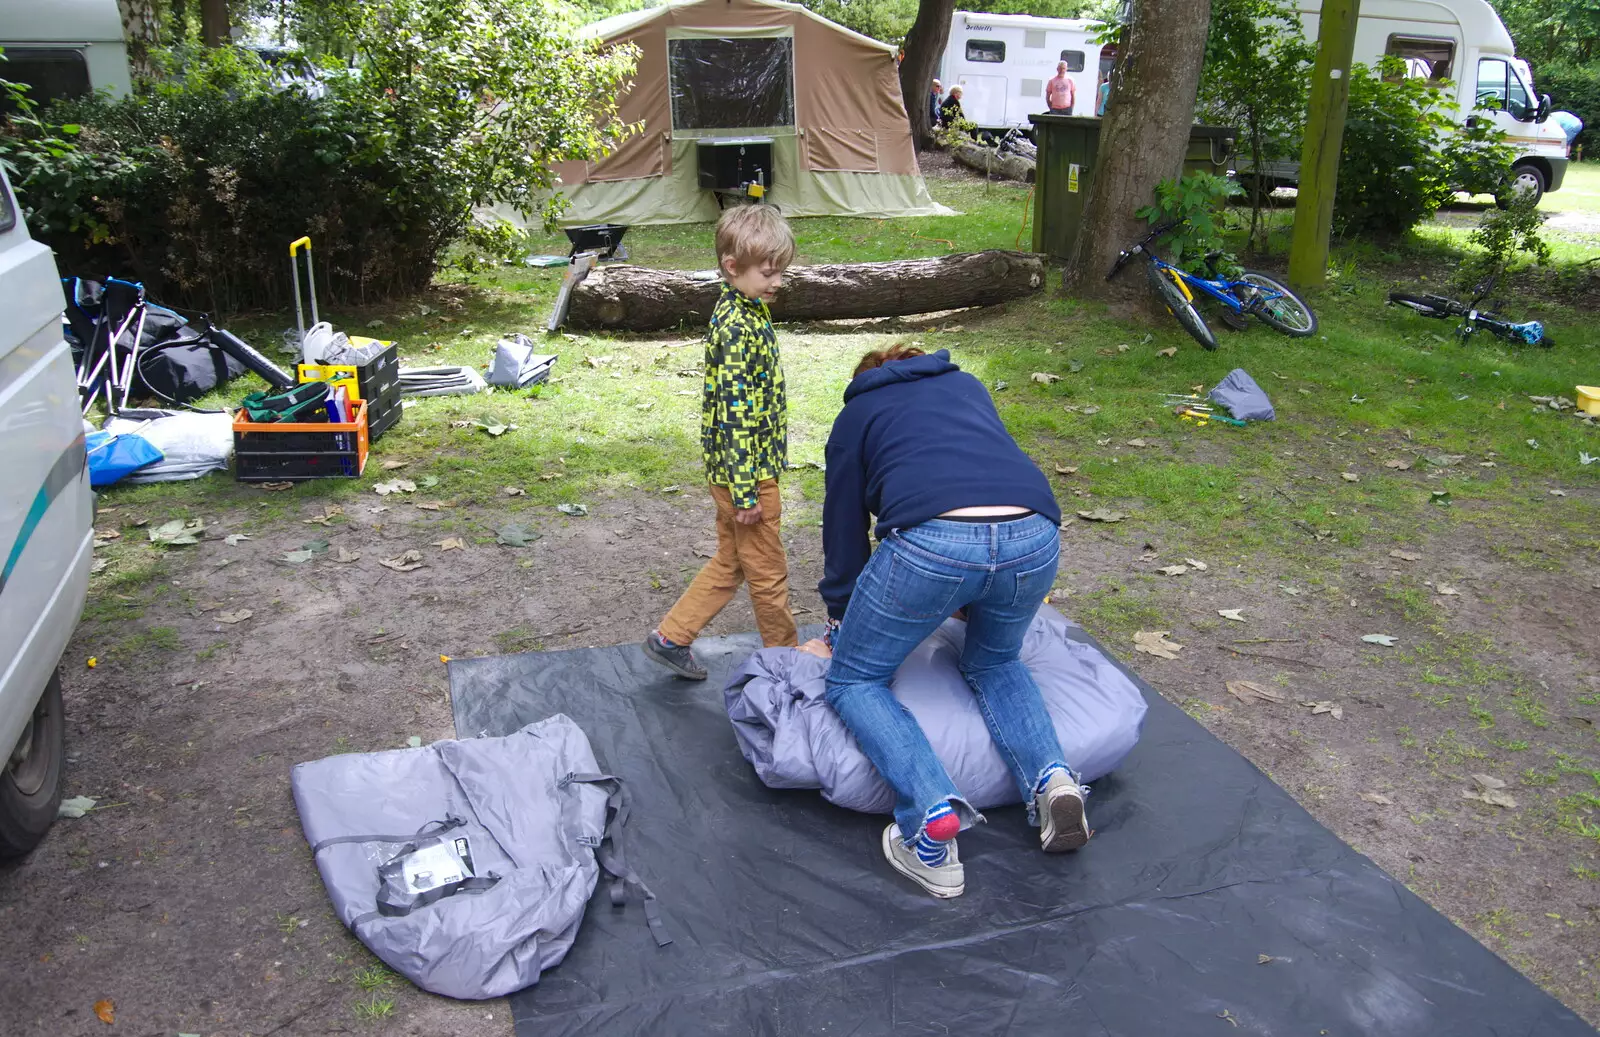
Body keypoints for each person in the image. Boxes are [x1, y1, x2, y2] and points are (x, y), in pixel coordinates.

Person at [815, 344, 1089, 899]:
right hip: (1034, 531)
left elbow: (843, 526)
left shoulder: (858, 414)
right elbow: (978, 483)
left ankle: (930, 821)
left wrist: (842, 617)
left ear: (865, 379)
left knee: (855, 680)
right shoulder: (967, 387)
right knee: (995, 660)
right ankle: (1053, 780)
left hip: (933, 543)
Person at [643, 205, 798, 680]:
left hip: (739, 471)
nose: (777, 282)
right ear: (733, 268)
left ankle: (671, 637)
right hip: (746, 474)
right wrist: (747, 492)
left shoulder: (745, 309)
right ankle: (788, 663)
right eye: (768, 273)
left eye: (781, 273)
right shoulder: (736, 328)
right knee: (768, 574)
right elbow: (733, 417)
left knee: (732, 561)